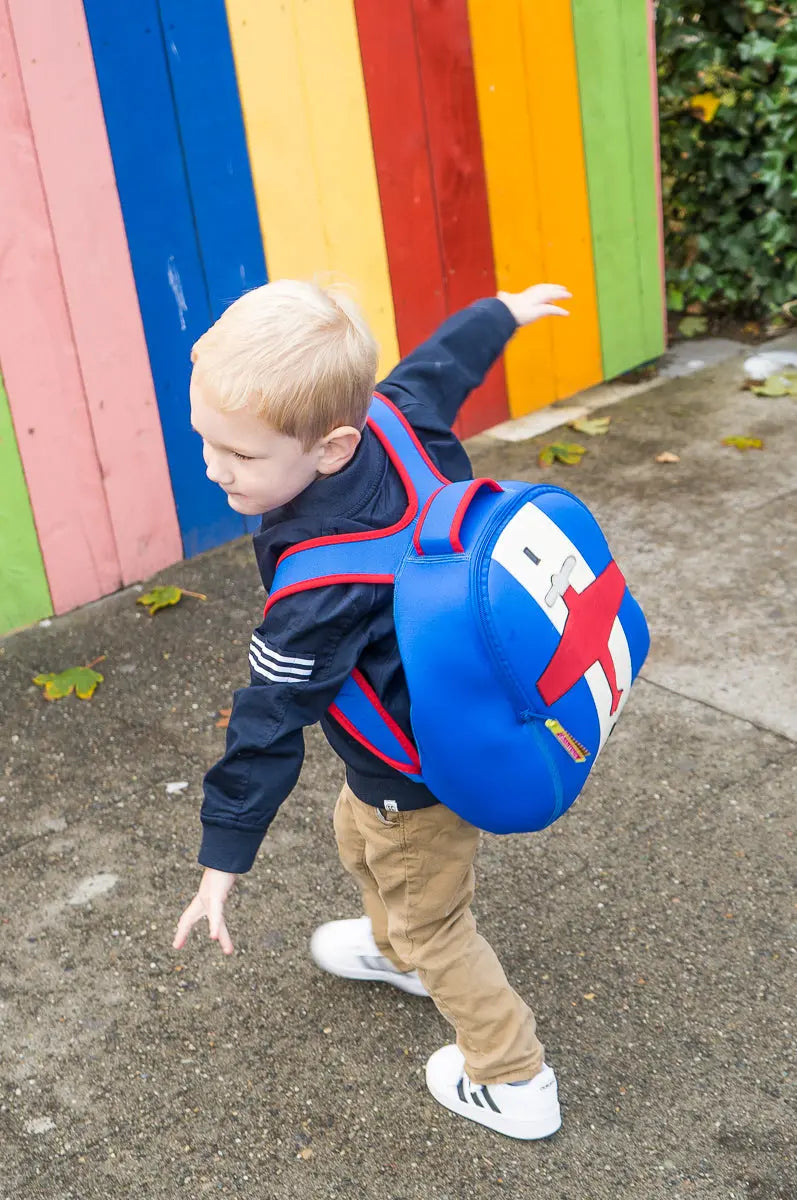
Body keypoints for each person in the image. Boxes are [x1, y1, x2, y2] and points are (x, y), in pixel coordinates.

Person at [173, 277, 571, 1139]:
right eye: (205, 440)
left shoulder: (321, 590)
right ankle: (396, 954)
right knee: (357, 836)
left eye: (239, 456)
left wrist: (223, 856)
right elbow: (440, 367)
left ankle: (512, 1078)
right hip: (412, 735)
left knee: (433, 915)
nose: (213, 468)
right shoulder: (396, 416)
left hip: (418, 769)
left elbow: (268, 718)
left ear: (330, 445)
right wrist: (499, 314)